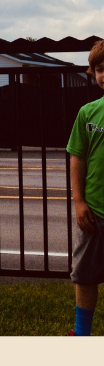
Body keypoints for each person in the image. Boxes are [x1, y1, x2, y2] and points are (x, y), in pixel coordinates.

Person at [67, 39, 104, 335]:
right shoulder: (87, 113)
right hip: (95, 213)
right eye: (101, 69)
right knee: (86, 276)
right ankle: (81, 333)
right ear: (92, 73)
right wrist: (79, 202)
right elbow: (77, 158)